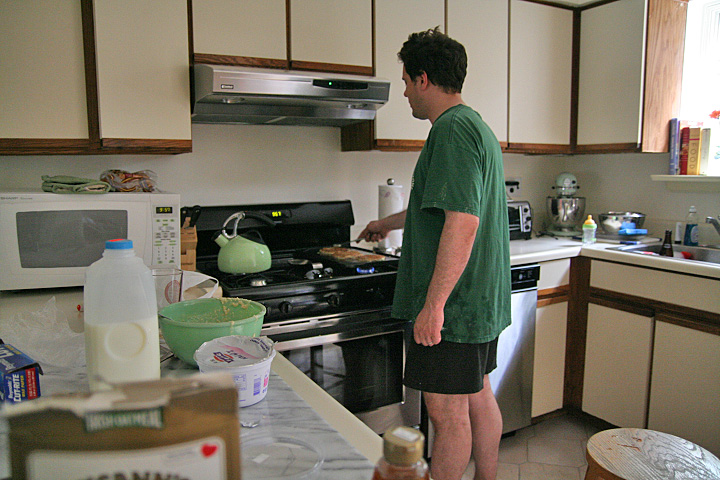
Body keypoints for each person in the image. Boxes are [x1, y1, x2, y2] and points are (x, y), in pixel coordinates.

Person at [358, 27, 511, 480]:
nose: (405, 92)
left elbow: (462, 222)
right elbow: (444, 206)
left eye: (406, 81)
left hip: (455, 308)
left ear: (423, 79)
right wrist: (386, 224)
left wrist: (434, 305)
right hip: (478, 301)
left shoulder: (451, 131)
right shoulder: (475, 126)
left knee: (448, 417)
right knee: (479, 396)